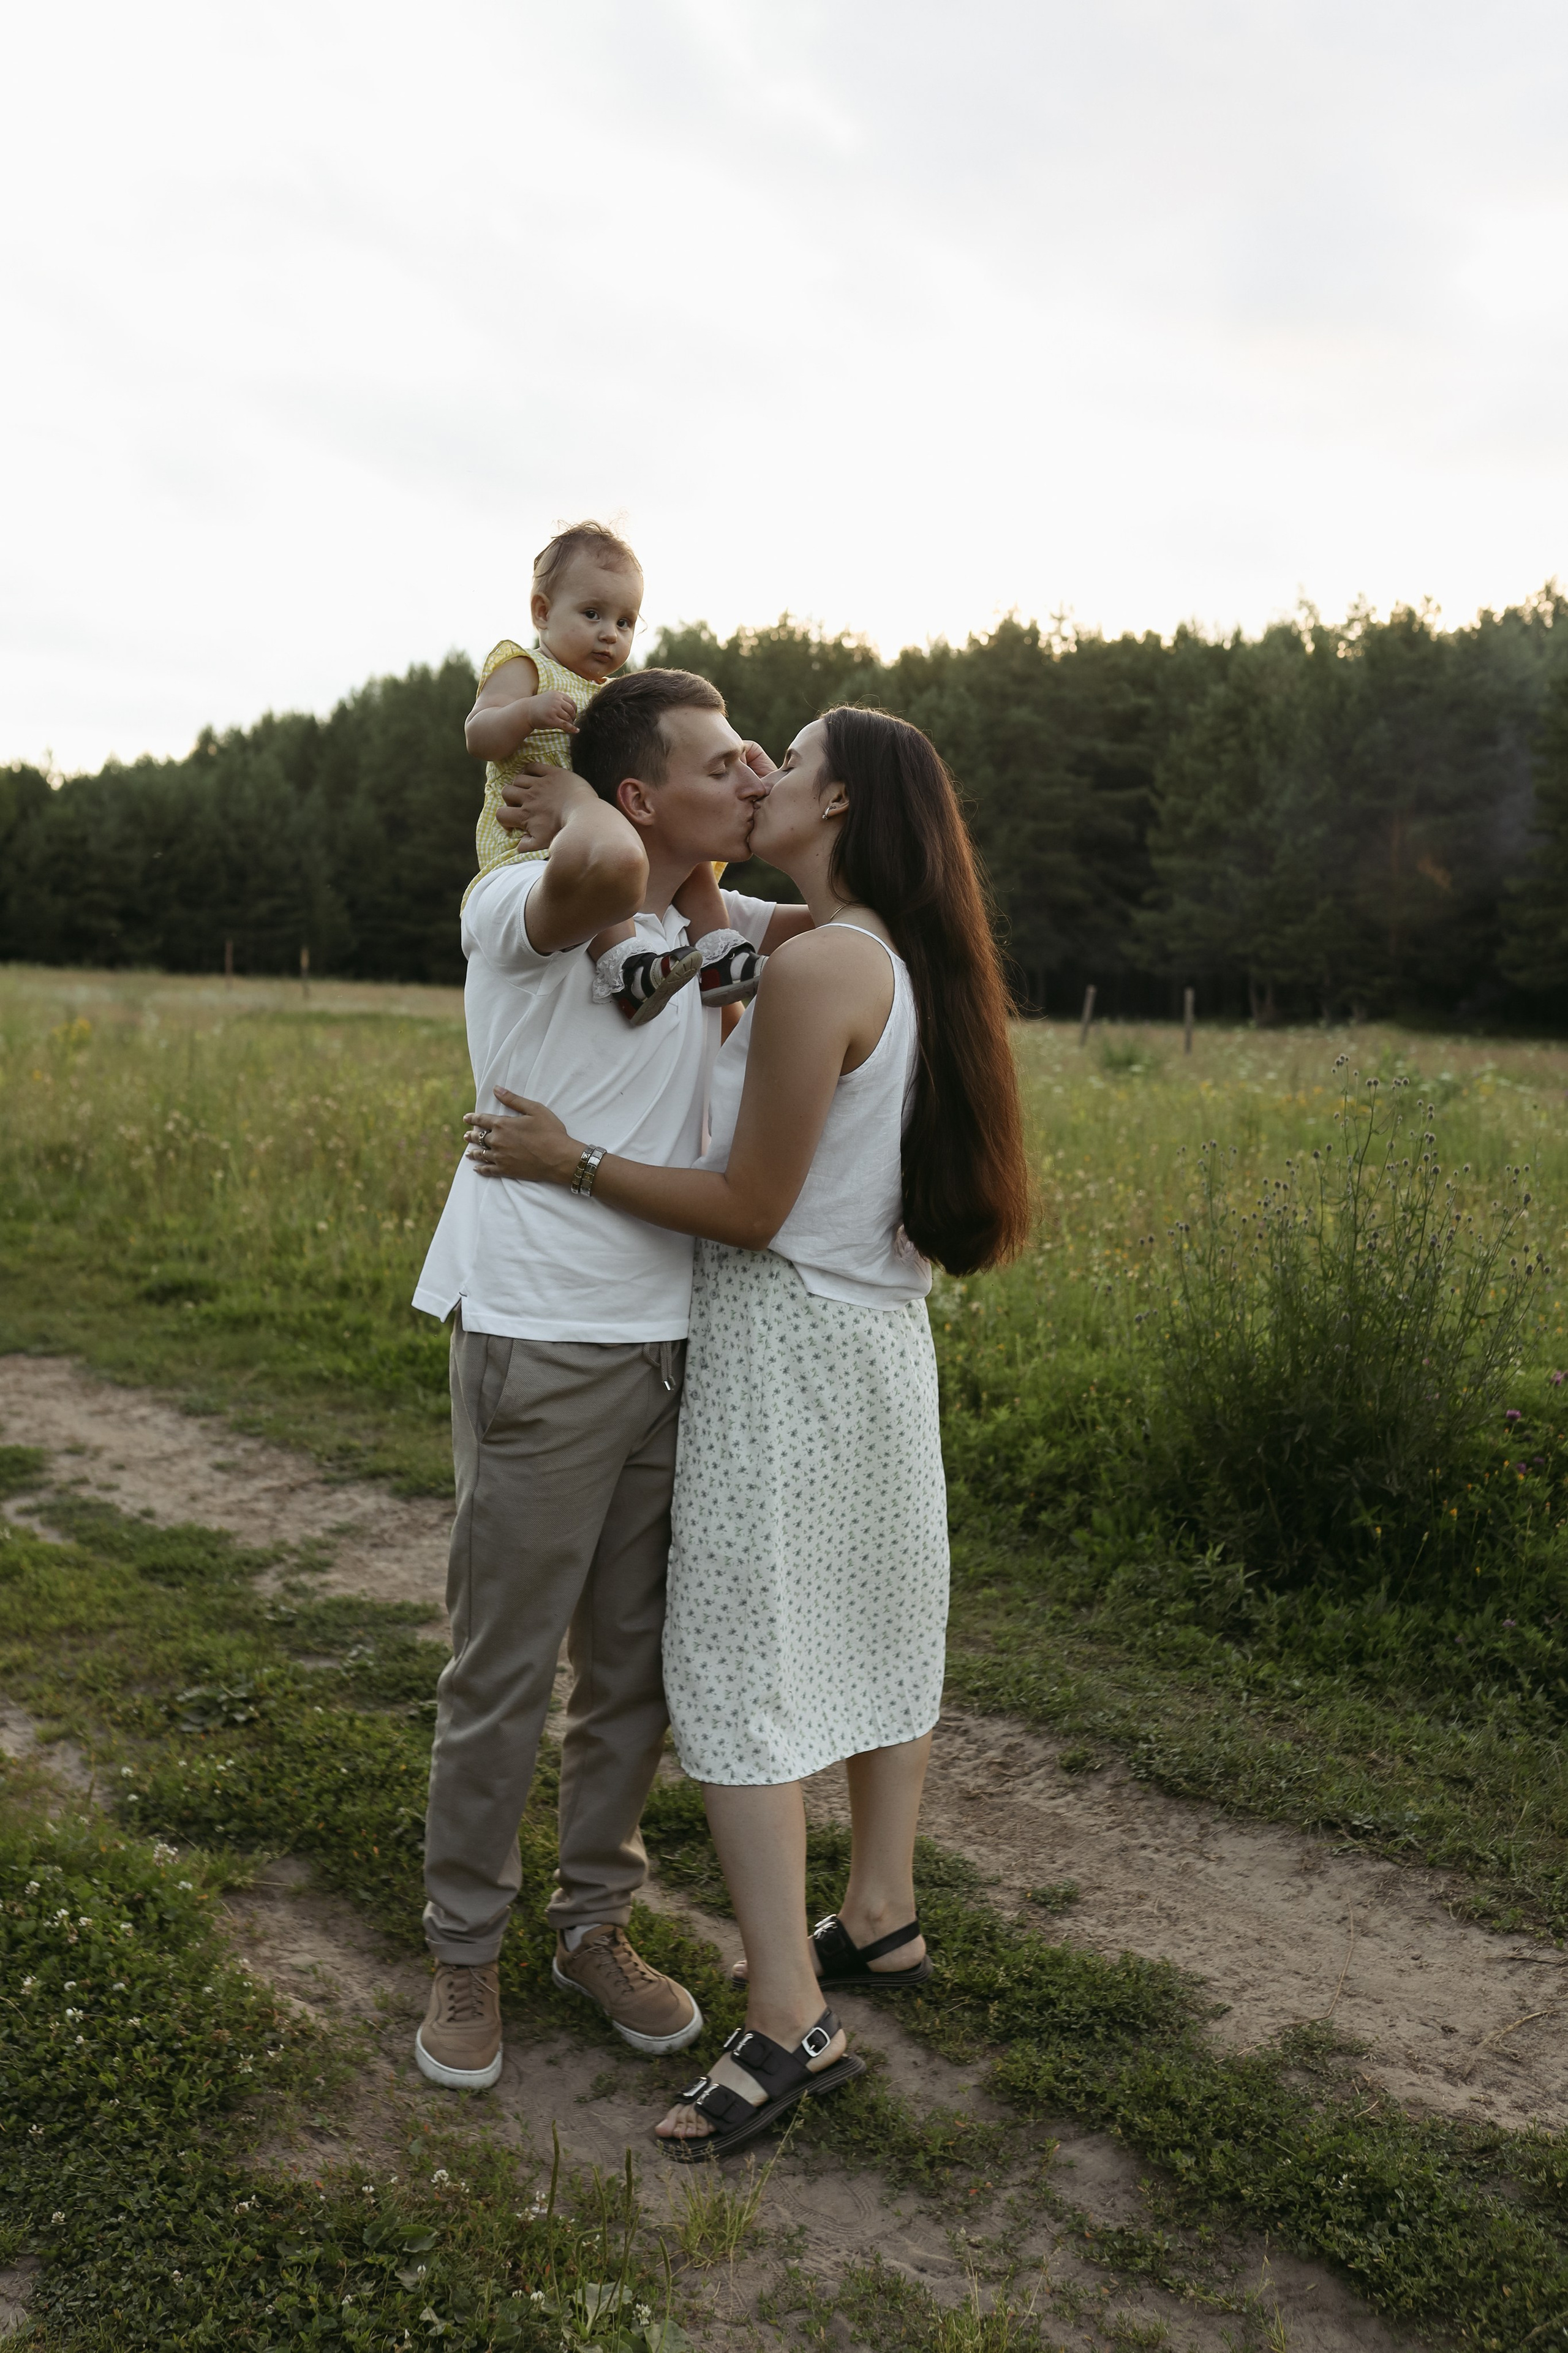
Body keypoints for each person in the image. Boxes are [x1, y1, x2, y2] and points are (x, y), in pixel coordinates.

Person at [466, 706, 1031, 2158]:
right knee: (874, 1625)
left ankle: (786, 2021)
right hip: (877, 1341)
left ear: (839, 804)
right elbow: (704, 922)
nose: (764, 774)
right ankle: (879, 1914)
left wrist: (572, 1157)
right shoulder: (882, 950)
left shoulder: (815, 966)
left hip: (780, 1340)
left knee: (732, 1668)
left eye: (788, 760)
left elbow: (748, 1205)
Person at [409, 667, 813, 2093]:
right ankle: (465, 1948)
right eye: (719, 765)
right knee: (506, 1668)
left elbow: (861, 904)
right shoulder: (524, 899)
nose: (747, 778)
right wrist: (571, 780)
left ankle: (593, 1927)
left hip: (669, 1344)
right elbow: (587, 854)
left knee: (629, 1675)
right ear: (641, 794)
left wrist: (740, 854)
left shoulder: (707, 928)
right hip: (540, 1334)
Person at [464, 520, 764, 1025]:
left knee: (693, 869)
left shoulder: (611, 692)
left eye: (626, 622)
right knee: (602, 879)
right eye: (592, 614)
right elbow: (478, 734)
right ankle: (625, 967)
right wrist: (527, 712)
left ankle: (719, 953)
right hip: (537, 838)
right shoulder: (526, 668)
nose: (610, 634)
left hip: (605, 830)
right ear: (542, 611)